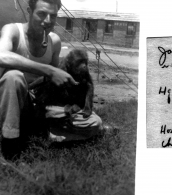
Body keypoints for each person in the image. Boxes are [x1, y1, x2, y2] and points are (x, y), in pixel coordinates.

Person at [0, 0, 103, 161]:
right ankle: (10, 145)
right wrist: (48, 70)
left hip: (40, 105)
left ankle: (38, 131)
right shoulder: (13, 31)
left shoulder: (54, 41)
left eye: (53, 16)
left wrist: (65, 109)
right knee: (14, 76)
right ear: (29, 11)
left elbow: (54, 85)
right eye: (41, 13)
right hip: (15, 102)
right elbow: (1, 56)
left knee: (95, 123)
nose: (47, 21)